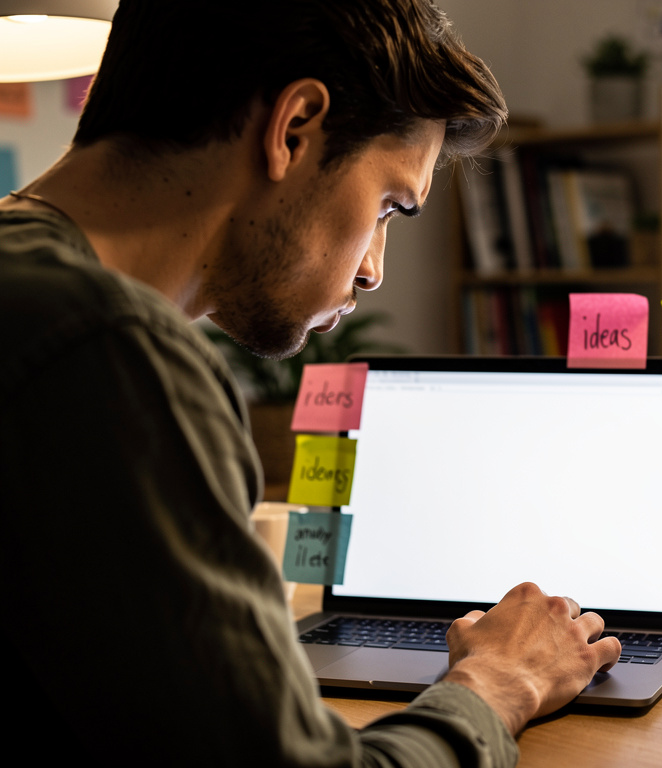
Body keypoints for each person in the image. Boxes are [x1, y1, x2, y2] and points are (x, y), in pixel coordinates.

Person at [0, 1, 621, 765]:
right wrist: (500, 683)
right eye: (391, 204)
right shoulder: (110, 351)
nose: (373, 269)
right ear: (294, 128)